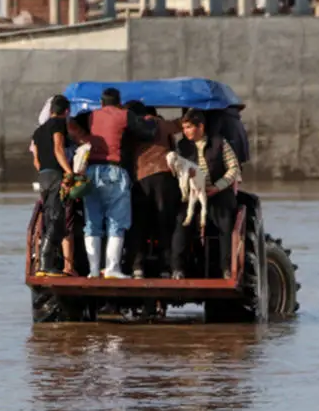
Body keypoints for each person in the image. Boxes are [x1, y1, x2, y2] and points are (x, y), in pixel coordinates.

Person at [80, 87, 157, 278]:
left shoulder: (90, 116)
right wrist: (151, 122)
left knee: (92, 222)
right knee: (117, 221)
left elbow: (72, 126)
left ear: (101, 102)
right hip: (115, 171)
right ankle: (112, 269)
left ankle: (93, 270)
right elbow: (147, 133)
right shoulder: (125, 115)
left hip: (91, 172)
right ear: (119, 102)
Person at [169, 109, 242, 279]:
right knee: (182, 223)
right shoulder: (182, 147)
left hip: (218, 193)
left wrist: (217, 187)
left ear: (200, 126)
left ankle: (226, 269)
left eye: (188, 127)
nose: (185, 131)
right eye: (184, 128)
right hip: (193, 194)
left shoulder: (219, 143)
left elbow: (234, 169)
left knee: (225, 225)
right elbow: (176, 171)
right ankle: (177, 269)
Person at [124, 102, 184, 279]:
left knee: (138, 224)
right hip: (163, 178)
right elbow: (179, 125)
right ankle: (167, 268)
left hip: (140, 179)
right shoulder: (160, 123)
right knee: (165, 223)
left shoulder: (131, 127)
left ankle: (137, 267)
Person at [31, 94, 75, 276]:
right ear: (66, 111)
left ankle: (44, 264)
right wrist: (68, 171)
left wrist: (45, 172)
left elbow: (37, 161)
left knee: (49, 216)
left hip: (43, 176)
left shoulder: (39, 131)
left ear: (50, 110)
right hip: (56, 175)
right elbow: (58, 147)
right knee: (57, 217)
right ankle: (45, 264)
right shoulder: (58, 125)